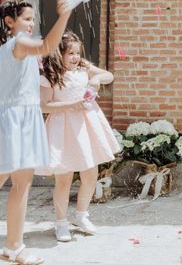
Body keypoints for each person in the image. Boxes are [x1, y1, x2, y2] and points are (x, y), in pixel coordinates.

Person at [0, 0, 75, 265]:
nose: (32, 24)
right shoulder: (18, 43)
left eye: (33, 19)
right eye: (26, 19)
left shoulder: (16, 45)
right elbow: (46, 46)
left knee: (22, 184)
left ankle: (14, 248)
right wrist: (64, 16)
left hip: (25, 118)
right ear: (10, 22)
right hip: (11, 120)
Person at [38, 31, 120, 241]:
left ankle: (82, 215)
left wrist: (97, 80)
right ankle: (61, 222)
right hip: (62, 127)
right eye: (70, 53)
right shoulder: (50, 74)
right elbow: (45, 105)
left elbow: (109, 75)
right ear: (59, 54)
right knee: (64, 179)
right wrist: (72, 105)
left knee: (90, 174)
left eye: (77, 52)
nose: (75, 57)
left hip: (86, 126)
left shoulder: (83, 67)